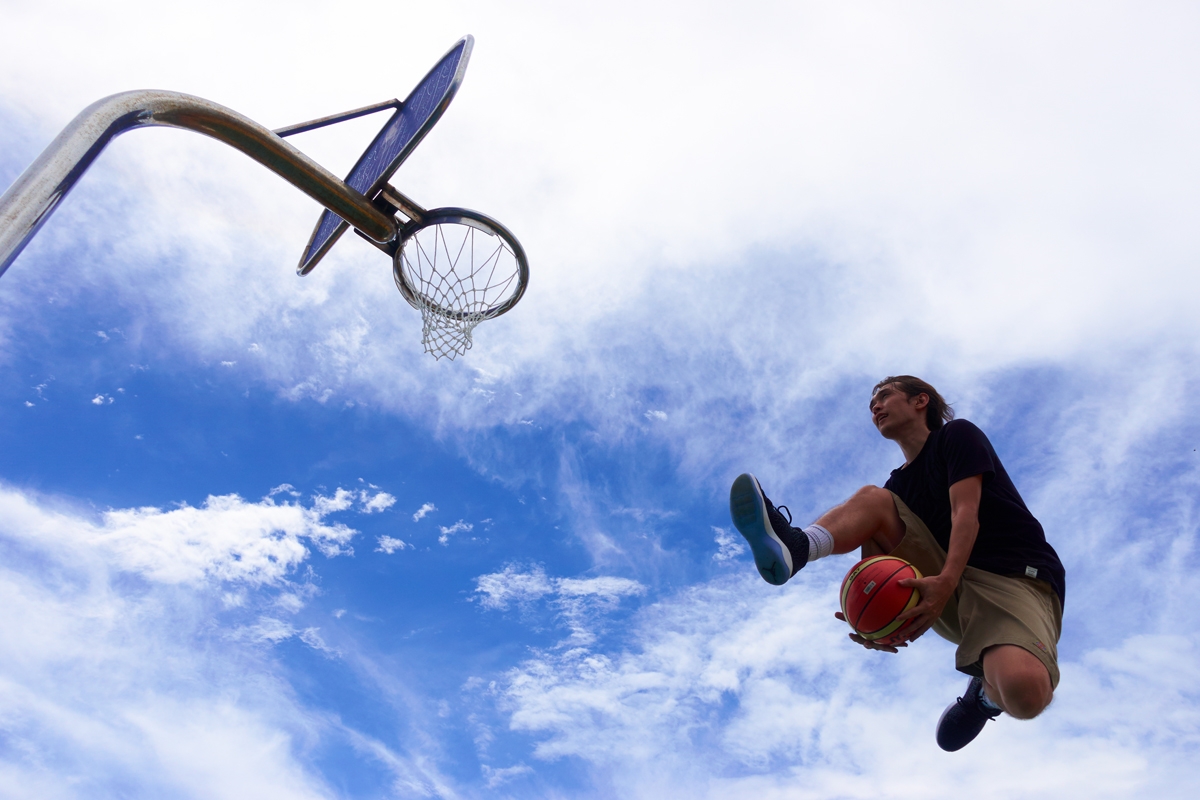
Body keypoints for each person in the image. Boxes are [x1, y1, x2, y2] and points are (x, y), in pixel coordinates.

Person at [729, 376, 1065, 751]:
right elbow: (875, 569)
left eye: (885, 396)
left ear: (921, 401)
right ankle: (798, 546)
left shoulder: (956, 436)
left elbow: (966, 513)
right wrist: (871, 624)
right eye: (872, 403)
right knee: (875, 500)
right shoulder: (896, 488)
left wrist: (947, 581)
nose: (875, 407)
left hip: (1011, 577)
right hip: (940, 587)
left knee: (1025, 693)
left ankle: (983, 697)